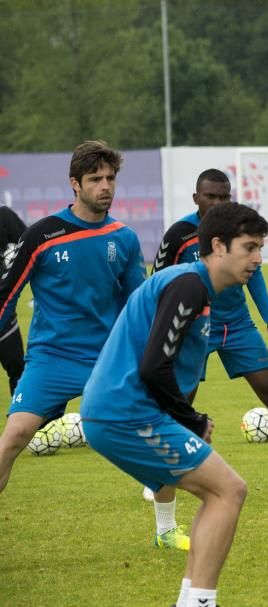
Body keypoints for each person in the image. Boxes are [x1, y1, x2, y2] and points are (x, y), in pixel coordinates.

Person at [81, 202, 267, 607]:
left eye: (261, 248)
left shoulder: (192, 286)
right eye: (250, 247)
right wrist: (192, 419)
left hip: (122, 412)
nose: (258, 259)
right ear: (218, 246)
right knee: (229, 490)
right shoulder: (189, 285)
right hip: (126, 413)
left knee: (216, 492)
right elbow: (153, 366)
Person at [144, 169, 268, 550]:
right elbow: (158, 281)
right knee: (180, 404)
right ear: (197, 198)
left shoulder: (239, 228)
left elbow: (255, 275)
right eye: (211, 196)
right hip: (195, 325)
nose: (218, 202)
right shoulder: (179, 235)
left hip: (237, 326)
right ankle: (157, 480)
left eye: (224, 196)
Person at [0, 141, 145, 493]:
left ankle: (166, 526)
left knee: (156, 429)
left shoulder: (124, 238)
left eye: (110, 178)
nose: (105, 186)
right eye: (95, 179)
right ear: (75, 184)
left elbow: (138, 307)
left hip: (108, 359)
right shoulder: (42, 235)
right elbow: (6, 298)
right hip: (52, 358)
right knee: (13, 438)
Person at [0, 206, 27, 396]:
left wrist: (14, 258)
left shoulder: (3, 216)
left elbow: (30, 243)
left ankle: (21, 423)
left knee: (19, 371)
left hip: (2, 312)